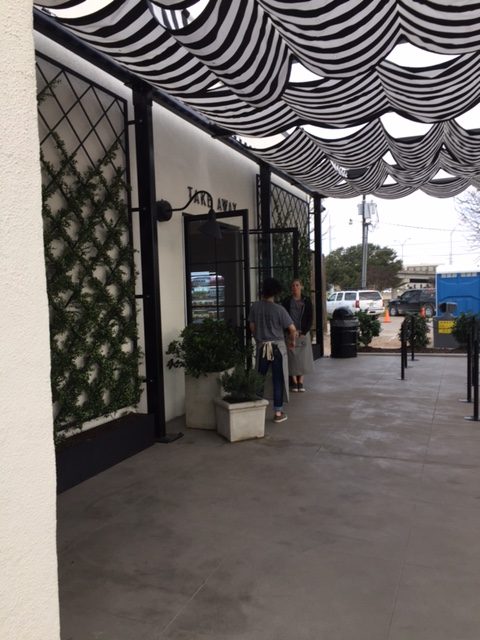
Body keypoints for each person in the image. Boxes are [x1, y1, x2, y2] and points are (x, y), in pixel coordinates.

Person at [248, 277, 296, 423]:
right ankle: (278, 413)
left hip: (262, 346)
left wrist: (258, 339)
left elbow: (252, 327)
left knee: (260, 378)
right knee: (278, 379)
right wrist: (291, 342)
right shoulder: (279, 309)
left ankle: (256, 409)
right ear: (275, 292)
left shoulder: (255, 307)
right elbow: (292, 329)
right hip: (277, 348)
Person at [282, 278, 314, 392]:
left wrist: (304, 331)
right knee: (292, 357)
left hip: (303, 333)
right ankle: (294, 382)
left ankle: (301, 382)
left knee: (303, 358)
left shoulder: (306, 300)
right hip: (291, 333)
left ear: (301, 287)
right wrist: (289, 331)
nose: (295, 288)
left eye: (297, 285)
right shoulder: (286, 301)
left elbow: (310, 317)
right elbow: (283, 317)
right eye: (293, 286)